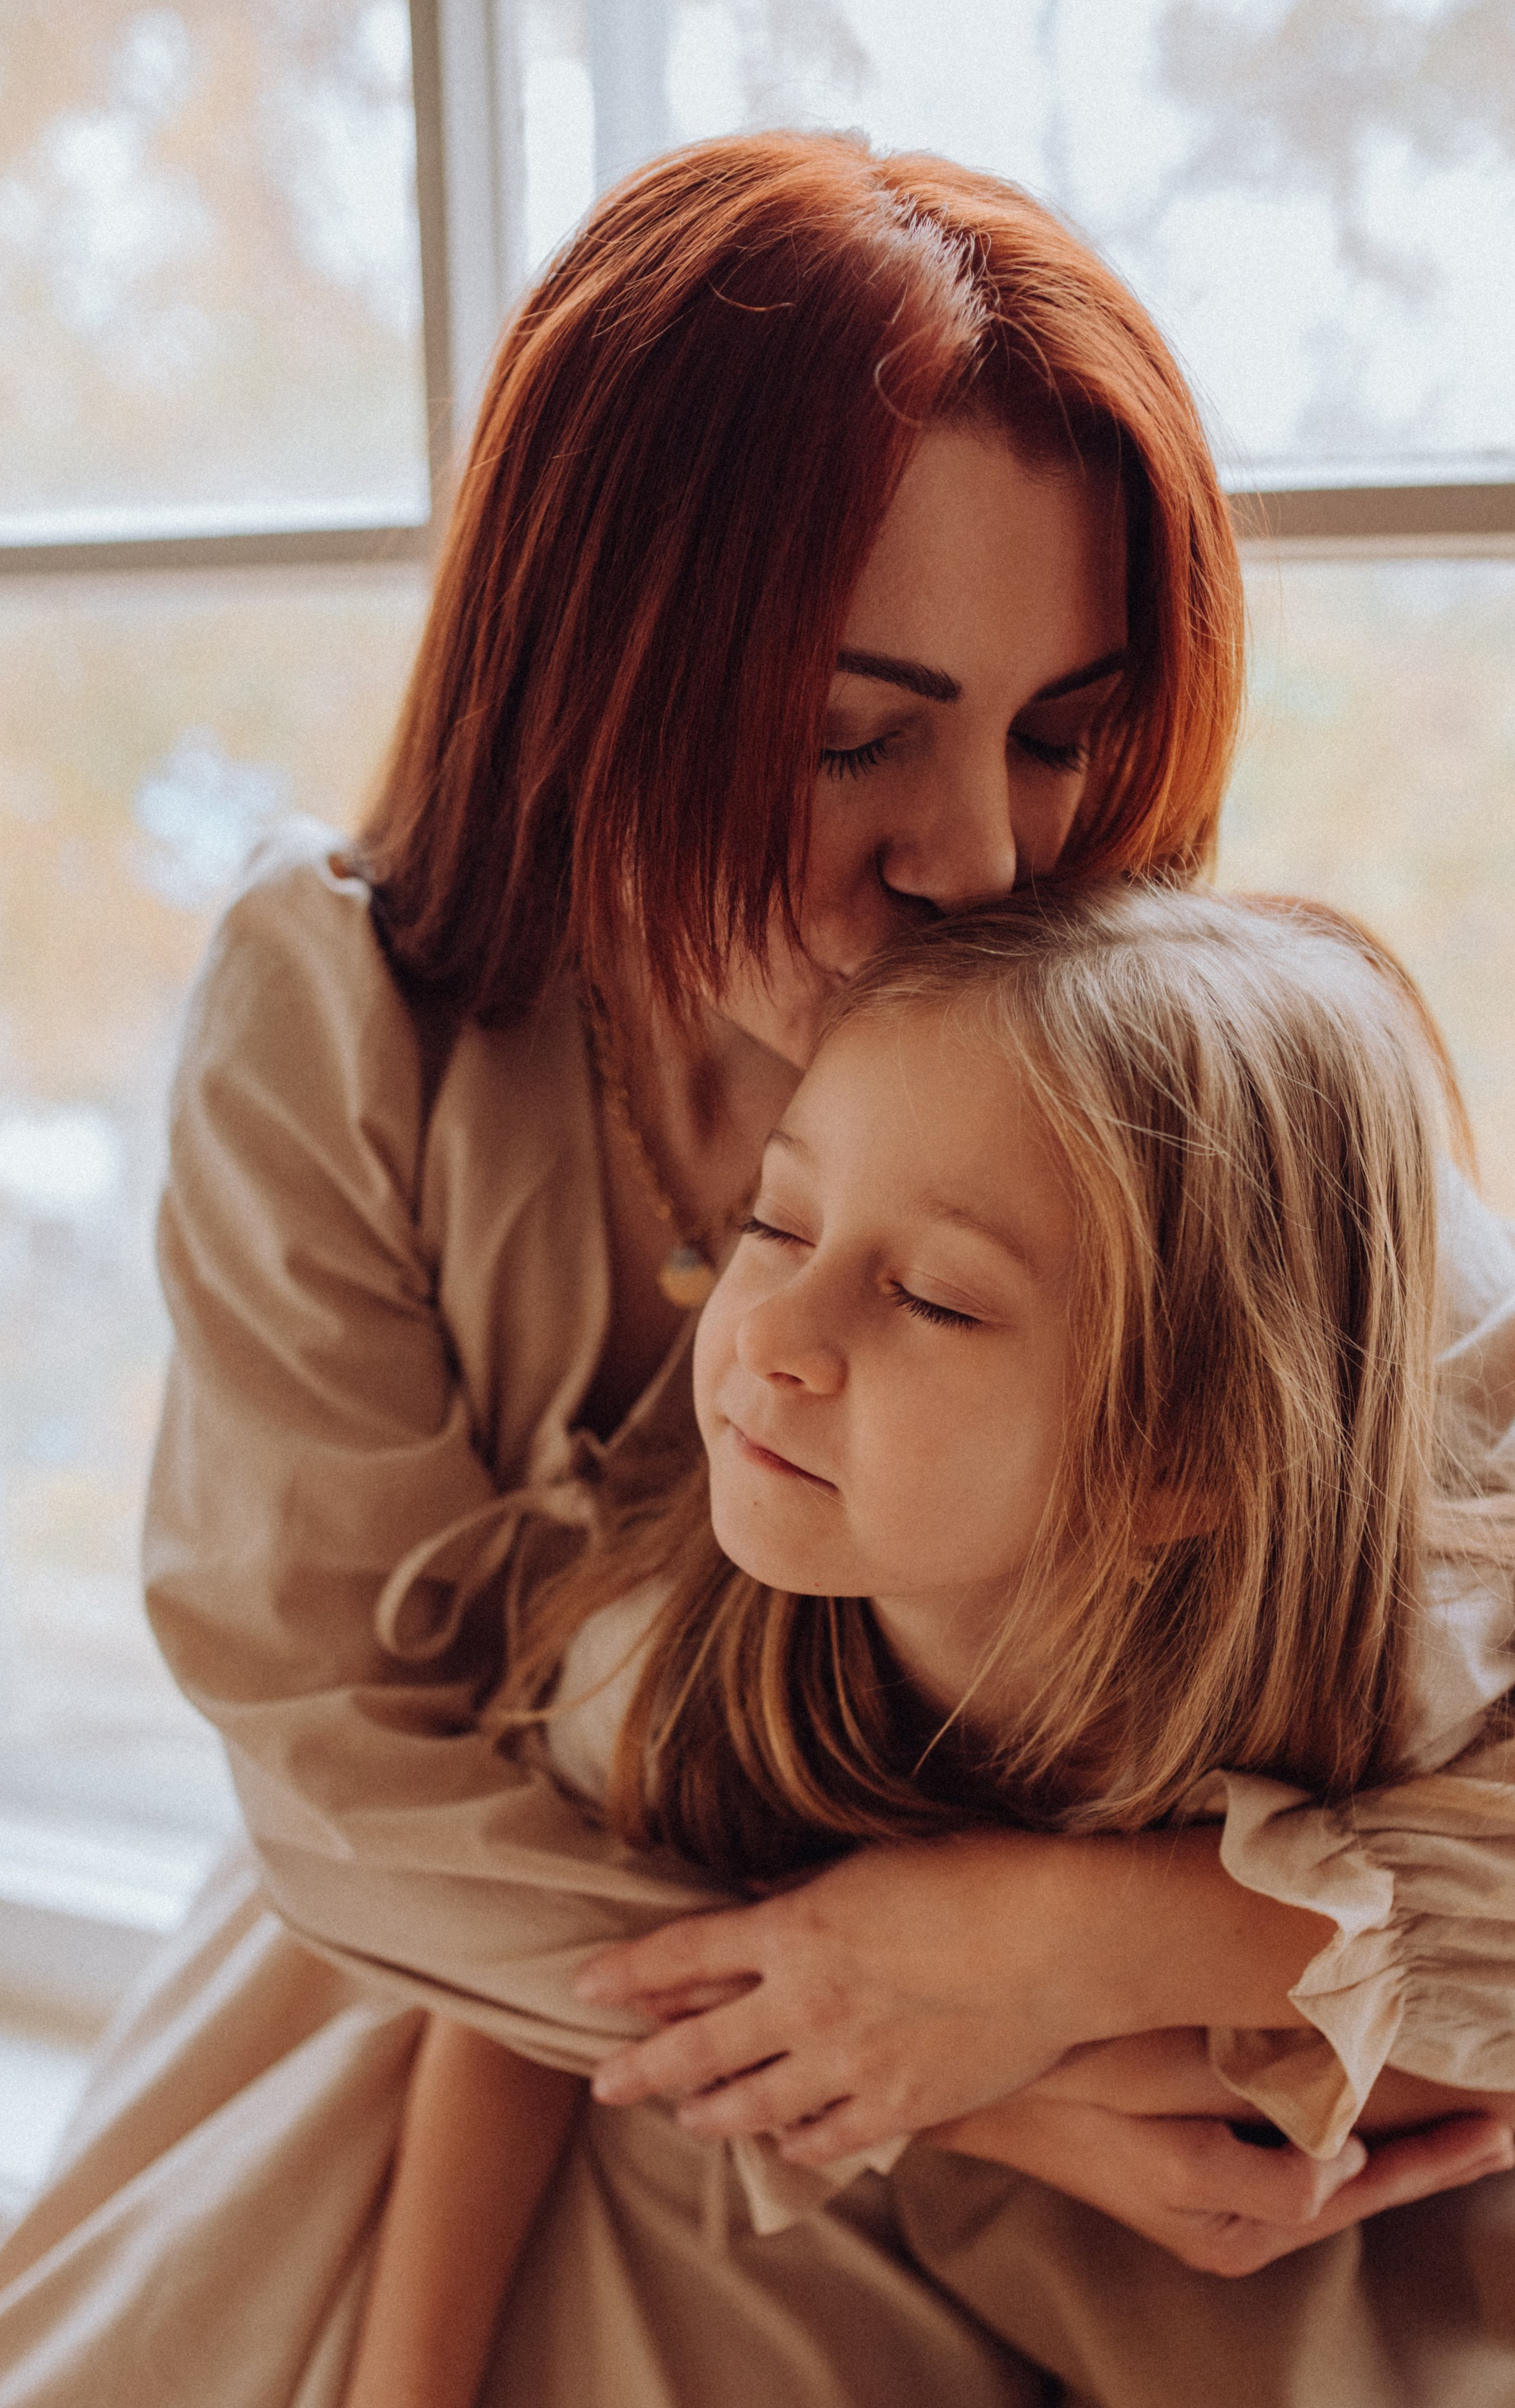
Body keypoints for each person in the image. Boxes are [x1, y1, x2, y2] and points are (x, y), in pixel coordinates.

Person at [0, 131, 1515, 2408]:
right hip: (482, 1985)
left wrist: (1074, 1951)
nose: (977, 851)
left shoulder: (1153, 1081)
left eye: (1059, 732)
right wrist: (926, 2052)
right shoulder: (348, 1014)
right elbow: (344, 1768)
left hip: (1152, 2080)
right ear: (597, 661)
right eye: (860, 731)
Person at [340, 884, 1515, 2408]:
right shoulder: (669, 1676)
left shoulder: (1406, 1651)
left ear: (1179, 1459)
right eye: (776, 1220)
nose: (772, 1330)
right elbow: (516, 2022)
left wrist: (1095, 1965)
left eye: (931, 1298)